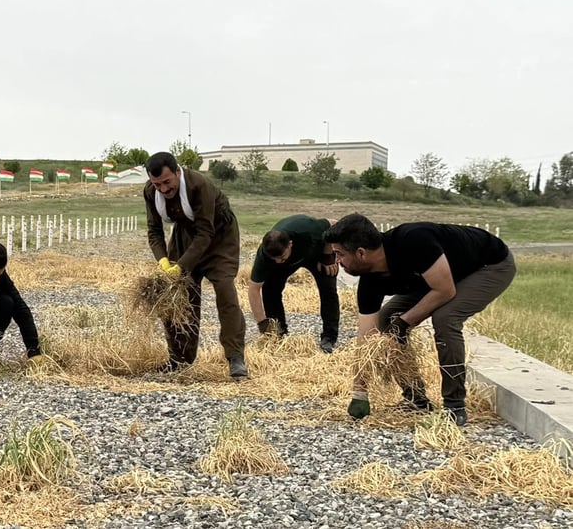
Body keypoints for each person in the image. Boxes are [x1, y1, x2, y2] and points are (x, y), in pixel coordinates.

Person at [323, 213, 516, 426]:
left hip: (488, 265)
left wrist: (405, 322)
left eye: (339, 254)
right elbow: (366, 338)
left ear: (361, 253)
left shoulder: (414, 241)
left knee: (445, 318)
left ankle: (454, 406)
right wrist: (360, 392)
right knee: (388, 317)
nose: (336, 261)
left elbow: (444, 291)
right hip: (439, 274)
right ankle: (416, 398)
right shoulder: (370, 281)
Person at [144, 152, 247, 378]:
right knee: (176, 295)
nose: (163, 189)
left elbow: (205, 232)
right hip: (185, 236)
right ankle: (179, 359)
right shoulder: (151, 192)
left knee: (225, 291)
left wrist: (181, 265)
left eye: (167, 182)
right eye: (157, 184)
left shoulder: (199, 186)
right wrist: (163, 261)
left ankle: (235, 357)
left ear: (177, 172)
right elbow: (154, 232)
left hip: (219, 236)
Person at [248, 215, 341, 353]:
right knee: (270, 289)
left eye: (281, 257)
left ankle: (329, 337)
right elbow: (254, 289)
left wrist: (327, 254)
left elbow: (333, 224)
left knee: (328, 289)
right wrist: (263, 324)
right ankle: (278, 334)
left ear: (290, 244)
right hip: (289, 264)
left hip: (316, 255)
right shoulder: (266, 256)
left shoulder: (308, 229)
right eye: (274, 258)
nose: (278, 261)